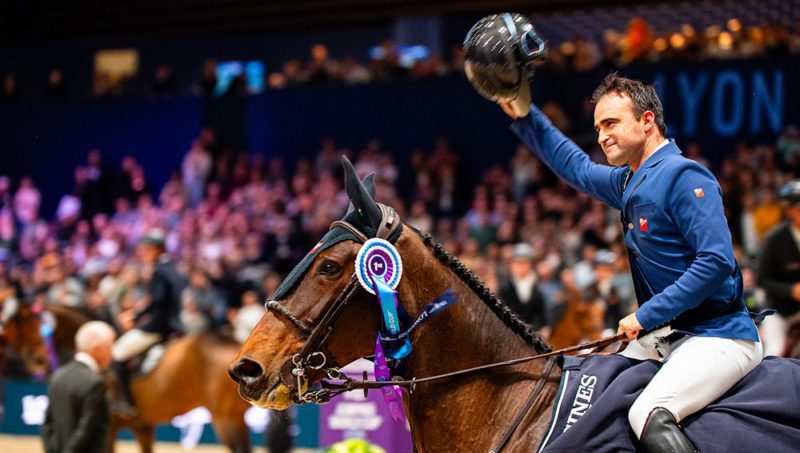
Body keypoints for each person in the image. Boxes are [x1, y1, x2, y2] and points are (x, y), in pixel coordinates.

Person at [497, 71, 764, 452]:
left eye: (611, 123)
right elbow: (575, 166)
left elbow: (716, 261)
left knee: (647, 413)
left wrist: (644, 315)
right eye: (598, 127)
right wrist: (525, 115)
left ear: (647, 121)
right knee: (594, 395)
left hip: (718, 335)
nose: (601, 136)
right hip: (668, 337)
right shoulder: (630, 181)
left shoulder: (684, 176)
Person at [111, 228, 185, 408]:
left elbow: (157, 302)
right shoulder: (172, 268)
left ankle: (127, 402)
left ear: (158, 249)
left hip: (159, 327)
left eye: (147, 249)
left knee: (116, 353)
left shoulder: (159, 271)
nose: (144, 253)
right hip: (174, 325)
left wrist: (134, 317)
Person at [41, 321, 116, 453]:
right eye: (109, 348)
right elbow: (87, 430)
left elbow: (47, 424)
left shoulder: (58, 376)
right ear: (97, 350)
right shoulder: (95, 383)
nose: (112, 354)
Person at [757, 181, 800, 356]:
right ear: (789, 210)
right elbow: (762, 279)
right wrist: (791, 290)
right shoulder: (774, 238)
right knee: (773, 353)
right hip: (780, 309)